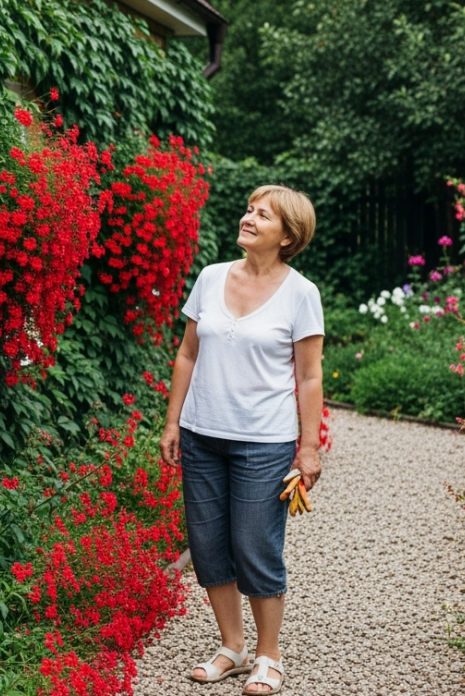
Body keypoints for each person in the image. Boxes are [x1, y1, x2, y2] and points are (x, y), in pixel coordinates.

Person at [159, 185, 324, 694]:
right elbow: (187, 353)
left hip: (265, 443)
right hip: (202, 435)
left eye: (263, 214)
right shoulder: (209, 279)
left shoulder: (302, 293)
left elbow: (310, 376)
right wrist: (172, 422)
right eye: (250, 210)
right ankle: (232, 647)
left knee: (256, 546)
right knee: (208, 546)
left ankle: (268, 656)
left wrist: (308, 447)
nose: (249, 218)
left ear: (288, 235)